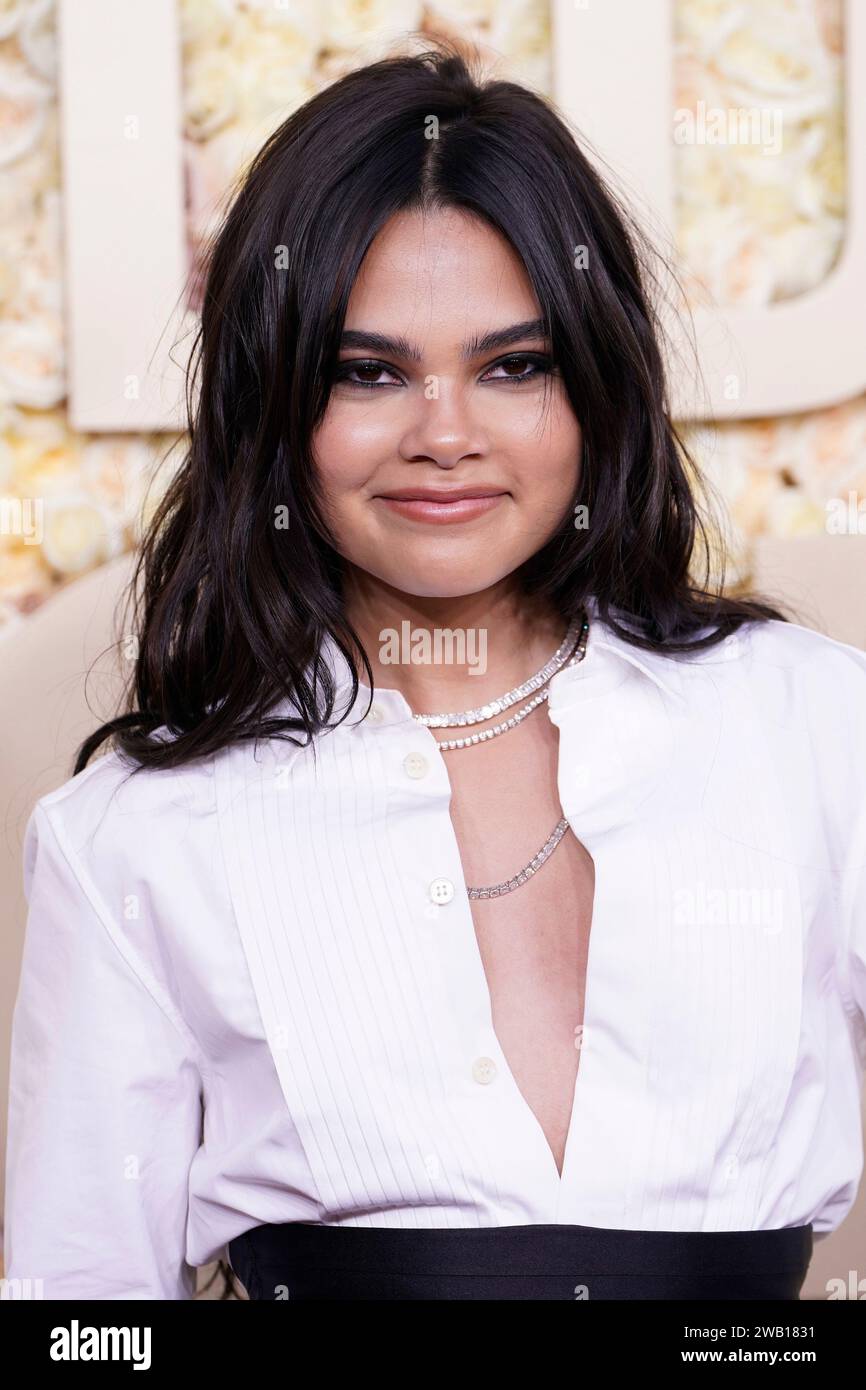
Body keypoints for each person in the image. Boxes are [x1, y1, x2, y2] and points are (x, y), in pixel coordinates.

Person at [4, 40, 866, 1302]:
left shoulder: (811, 722)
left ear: (595, 389)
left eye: (513, 366)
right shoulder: (135, 835)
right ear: (273, 407)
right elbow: (79, 1321)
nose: (445, 436)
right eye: (368, 373)